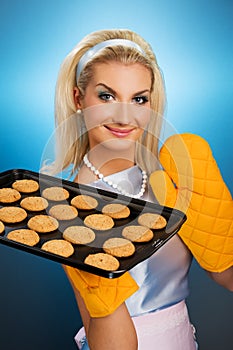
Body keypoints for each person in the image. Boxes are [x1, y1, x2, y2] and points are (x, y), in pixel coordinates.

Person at [42, 29, 233, 350]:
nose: (124, 115)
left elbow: (226, 277)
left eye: (138, 99)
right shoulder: (72, 207)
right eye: (106, 96)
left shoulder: (172, 179)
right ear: (78, 99)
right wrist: (99, 284)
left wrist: (223, 239)